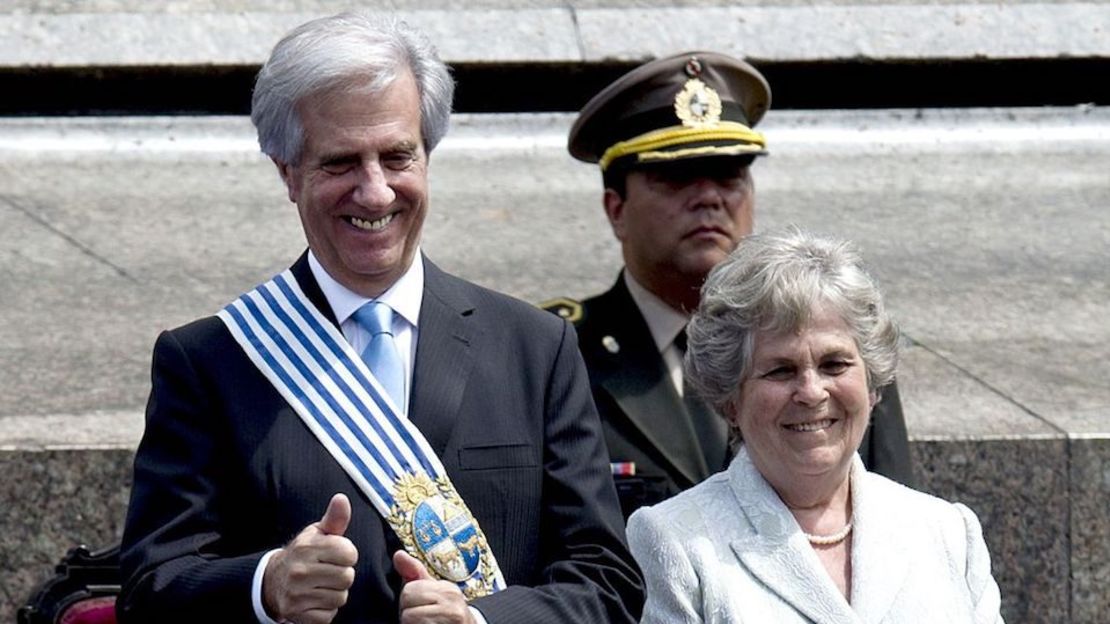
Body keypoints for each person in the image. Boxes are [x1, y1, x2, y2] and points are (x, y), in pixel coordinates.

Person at [117, 12, 642, 624]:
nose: (375, 193)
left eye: (397, 157)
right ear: (288, 172)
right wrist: (264, 585)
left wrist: (482, 621)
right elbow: (152, 587)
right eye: (340, 163)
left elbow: (606, 582)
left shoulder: (534, 347)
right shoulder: (210, 361)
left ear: (428, 155)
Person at [543, 51, 914, 517]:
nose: (709, 197)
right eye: (675, 176)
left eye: (729, 174)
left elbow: (896, 526)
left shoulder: (837, 351)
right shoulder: (557, 356)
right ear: (616, 209)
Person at [627, 228, 1003, 623]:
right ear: (732, 400)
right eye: (780, 370)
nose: (811, 392)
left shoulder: (947, 533)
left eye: (834, 365)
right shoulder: (676, 540)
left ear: (872, 385)